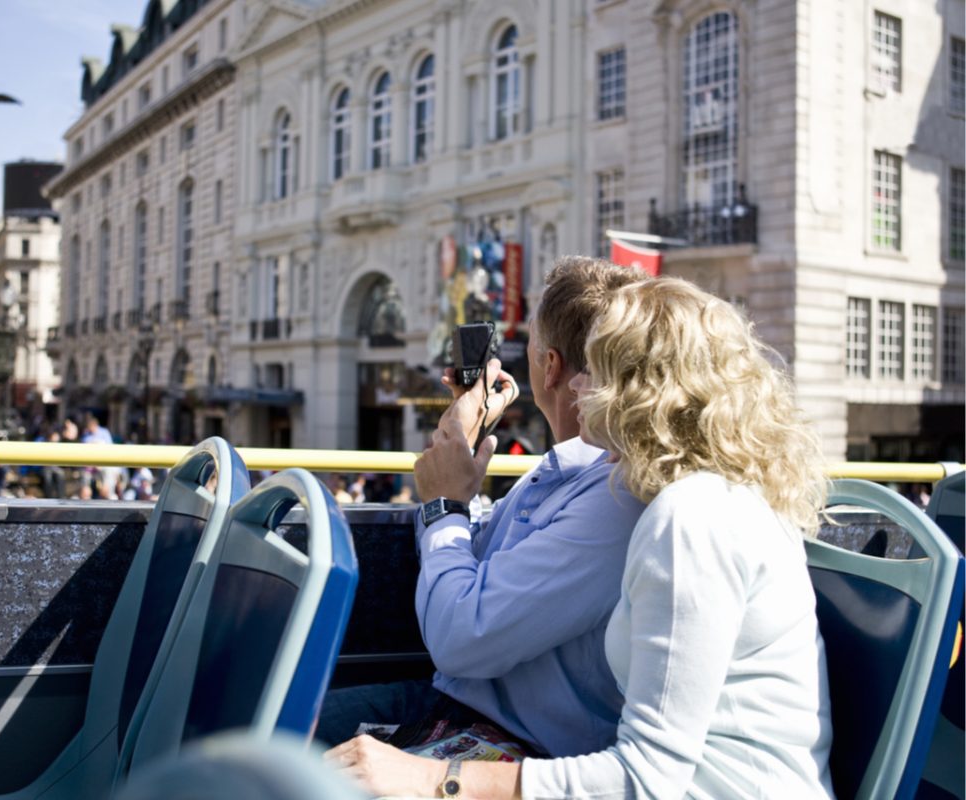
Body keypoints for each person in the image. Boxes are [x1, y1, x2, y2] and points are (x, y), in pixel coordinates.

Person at [329, 277, 835, 798]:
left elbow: (645, 779)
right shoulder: (699, 497)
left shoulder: (690, 518)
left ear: (643, 391)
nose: (573, 385)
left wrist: (436, 778)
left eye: (594, 368)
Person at [316, 257, 647, 759]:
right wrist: (461, 439)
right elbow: (472, 567)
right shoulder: (559, 470)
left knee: (265, 745)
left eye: (531, 344)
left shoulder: (611, 497)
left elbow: (459, 638)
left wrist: (445, 504)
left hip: (515, 742)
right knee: (267, 726)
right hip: (456, 707)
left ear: (549, 366)